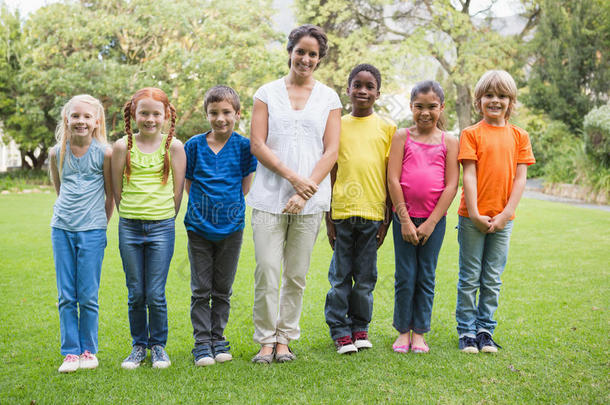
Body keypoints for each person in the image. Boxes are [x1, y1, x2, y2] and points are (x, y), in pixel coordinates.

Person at [248, 24, 341, 363]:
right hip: (269, 197)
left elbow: (330, 151)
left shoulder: (329, 97)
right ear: (290, 51)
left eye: (312, 54)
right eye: (300, 51)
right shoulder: (267, 93)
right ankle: (265, 339)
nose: (305, 58)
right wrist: (292, 178)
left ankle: (285, 338)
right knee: (268, 269)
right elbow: (257, 144)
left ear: (319, 59)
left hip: (311, 201)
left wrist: (305, 192)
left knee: (296, 273)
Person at [455, 70, 535, 353]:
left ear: (510, 101)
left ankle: (484, 328)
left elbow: (520, 179)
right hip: (471, 217)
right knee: (469, 277)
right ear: (479, 100)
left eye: (501, 96)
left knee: (491, 278)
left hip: (504, 219)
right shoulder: (470, 134)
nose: (495, 101)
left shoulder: (519, 136)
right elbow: (469, 175)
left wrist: (505, 214)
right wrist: (475, 213)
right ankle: (466, 331)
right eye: (489, 95)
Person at [111, 87, 186, 369]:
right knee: (136, 293)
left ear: (166, 115)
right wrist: (132, 214)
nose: (150, 118)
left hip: (161, 228)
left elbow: (177, 193)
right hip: (129, 228)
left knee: (155, 293)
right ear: (134, 114)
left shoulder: (174, 147)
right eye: (144, 112)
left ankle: (158, 346)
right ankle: (138, 346)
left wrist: (162, 216)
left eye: (156, 113)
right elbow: (117, 191)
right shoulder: (122, 148)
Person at [324, 64, 395, 354]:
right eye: (357, 85)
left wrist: (386, 220)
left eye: (369, 86)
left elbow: (391, 176)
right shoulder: (337, 125)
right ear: (348, 89)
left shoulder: (388, 129)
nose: (363, 91)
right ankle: (340, 331)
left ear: (378, 93)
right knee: (340, 277)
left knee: (365, 278)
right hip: (341, 213)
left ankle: (360, 328)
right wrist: (328, 219)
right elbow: (331, 171)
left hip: (373, 214)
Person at [184, 86, 257, 366]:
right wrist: (206, 211)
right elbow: (190, 184)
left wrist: (227, 210)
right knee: (201, 288)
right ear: (207, 115)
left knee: (222, 288)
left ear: (237, 114)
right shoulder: (193, 146)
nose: (220, 118)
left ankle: (218, 338)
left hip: (232, 228)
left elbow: (244, 185)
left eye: (226, 112)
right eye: (214, 112)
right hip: (199, 229)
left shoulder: (243, 146)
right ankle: (202, 342)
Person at [387, 81, 459, 354]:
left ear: (442, 107)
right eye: (419, 106)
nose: (425, 112)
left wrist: (430, 223)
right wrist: (404, 220)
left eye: (432, 107)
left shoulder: (449, 141)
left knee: (426, 276)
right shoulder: (401, 137)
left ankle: (420, 333)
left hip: (433, 221)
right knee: (405, 275)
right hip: (403, 218)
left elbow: (451, 185)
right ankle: (403, 331)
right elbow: (393, 178)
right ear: (411, 107)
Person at [49, 94, 113, 373]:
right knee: (66, 295)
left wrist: (100, 223)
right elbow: (59, 188)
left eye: (87, 117)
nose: (81, 121)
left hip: (93, 230)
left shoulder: (105, 153)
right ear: (67, 119)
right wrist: (70, 216)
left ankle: (89, 350)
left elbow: (110, 194)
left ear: (96, 121)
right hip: (62, 228)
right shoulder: (56, 153)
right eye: (75, 116)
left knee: (87, 295)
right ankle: (70, 353)